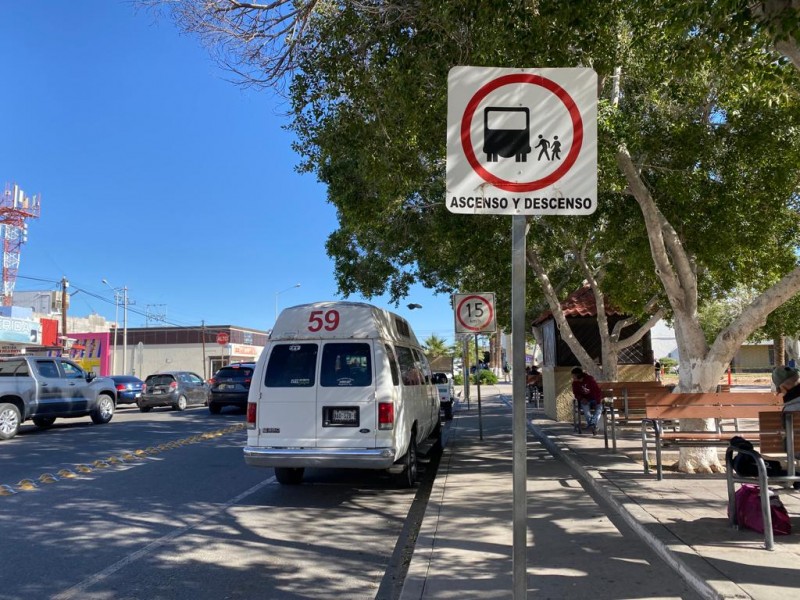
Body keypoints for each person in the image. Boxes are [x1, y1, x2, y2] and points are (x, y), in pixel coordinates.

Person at [571, 366, 603, 435]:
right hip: (585, 400)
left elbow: (597, 391)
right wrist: (581, 399)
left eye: (574, 376)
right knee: (586, 410)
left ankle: (592, 425)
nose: (573, 378)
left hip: (595, 399)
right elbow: (576, 394)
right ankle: (594, 426)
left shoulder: (590, 379)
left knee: (599, 409)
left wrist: (598, 401)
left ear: (578, 375)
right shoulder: (574, 383)